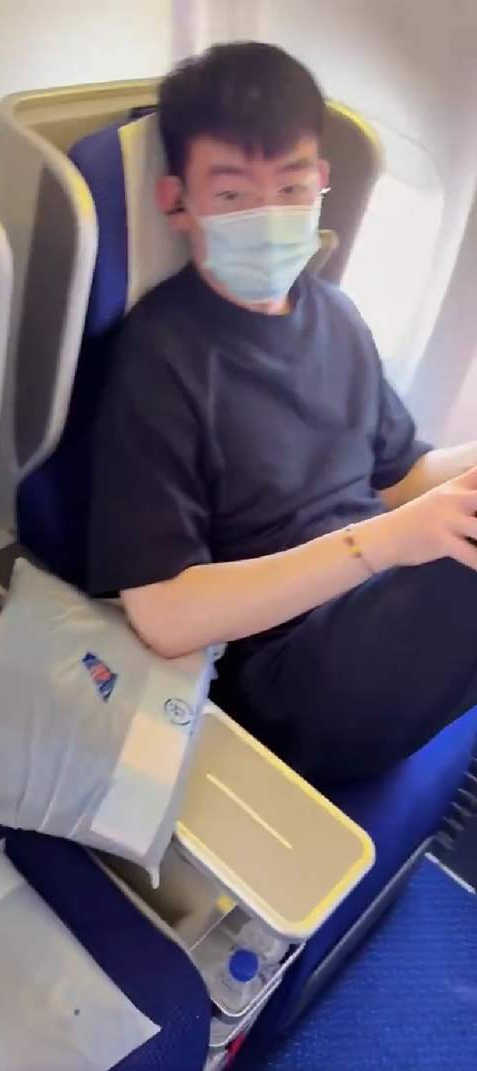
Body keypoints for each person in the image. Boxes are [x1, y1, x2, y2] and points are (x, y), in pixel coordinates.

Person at [88, 41, 477, 785]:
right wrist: (388, 542)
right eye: (234, 196)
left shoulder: (336, 315)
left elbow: (401, 477)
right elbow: (163, 615)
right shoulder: (160, 355)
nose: (269, 216)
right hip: (282, 677)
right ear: (177, 201)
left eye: (292, 186)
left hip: (370, 609)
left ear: (322, 181)